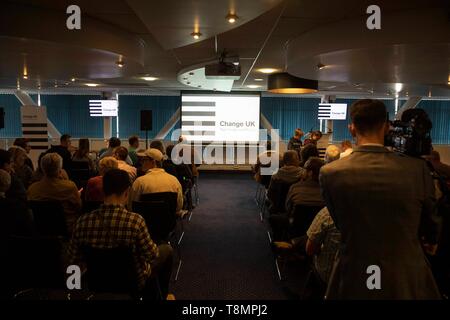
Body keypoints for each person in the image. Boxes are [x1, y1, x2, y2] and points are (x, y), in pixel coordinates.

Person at [320, 99, 441, 299]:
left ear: (352, 129)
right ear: (386, 127)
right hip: (406, 275)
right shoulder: (417, 169)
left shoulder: (330, 173)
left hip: (354, 270)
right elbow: (430, 223)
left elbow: (340, 221)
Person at [67, 169, 173, 299]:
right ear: (127, 192)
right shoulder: (135, 221)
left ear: (103, 190)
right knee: (166, 250)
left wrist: (73, 290)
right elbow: (152, 255)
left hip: (96, 281)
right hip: (133, 282)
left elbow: (72, 259)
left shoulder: (82, 222)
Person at [27, 153, 82, 234]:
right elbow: (79, 207)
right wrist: (78, 196)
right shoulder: (69, 187)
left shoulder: (32, 189)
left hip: (40, 229)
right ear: (60, 169)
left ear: (42, 168)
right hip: (67, 229)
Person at [128, 148, 183, 215]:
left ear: (153, 162)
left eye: (144, 160)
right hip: (169, 224)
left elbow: (131, 207)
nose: (141, 163)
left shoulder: (139, 182)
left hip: (145, 223)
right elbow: (179, 207)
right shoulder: (174, 181)